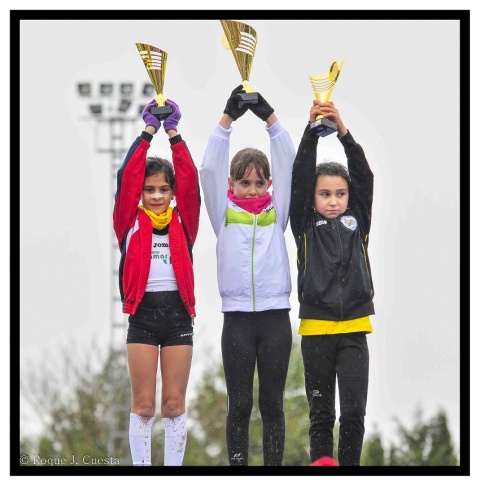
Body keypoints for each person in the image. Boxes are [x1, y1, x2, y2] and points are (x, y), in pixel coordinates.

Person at [200, 86, 296, 466]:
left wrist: (270, 118)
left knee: (272, 404)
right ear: (231, 185)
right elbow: (208, 167)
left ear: (269, 185)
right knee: (238, 404)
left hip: (275, 318)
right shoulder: (222, 213)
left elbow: (287, 162)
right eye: (245, 182)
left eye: (259, 182)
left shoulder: (278, 210)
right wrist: (227, 118)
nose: (253, 188)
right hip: (237, 320)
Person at [113, 98, 200, 466]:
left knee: (173, 404)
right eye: (150, 190)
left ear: (172, 192)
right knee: (145, 404)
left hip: (178, 316)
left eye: (163, 189)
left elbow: (191, 181)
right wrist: (148, 132)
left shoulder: (184, 223)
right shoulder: (129, 222)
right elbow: (127, 178)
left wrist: (174, 135)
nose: (156, 195)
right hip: (143, 316)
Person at [290, 100, 375, 466]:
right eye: (325, 194)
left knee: (353, 413)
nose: (334, 201)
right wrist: (310, 132)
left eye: (340, 194)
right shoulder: (305, 225)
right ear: (312, 197)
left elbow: (364, 175)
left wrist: (343, 131)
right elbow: (299, 176)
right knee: (321, 415)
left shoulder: (359, 221)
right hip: (316, 330)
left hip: (355, 327)